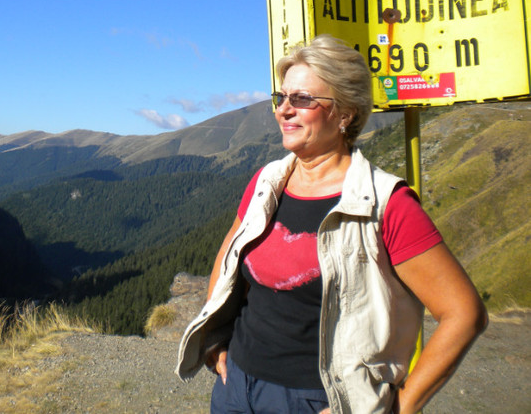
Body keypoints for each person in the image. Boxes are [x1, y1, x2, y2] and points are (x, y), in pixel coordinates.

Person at [176, 34, 487, 414]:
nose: (284, 110)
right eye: (282, 97)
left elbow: (464, 312)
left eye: (303, 99)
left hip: (318, 401)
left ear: (345, 114)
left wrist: (398, 408)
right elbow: (228, 258)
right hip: (236, 385)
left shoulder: (386, 203)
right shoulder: (267, 182)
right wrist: (215, 337)